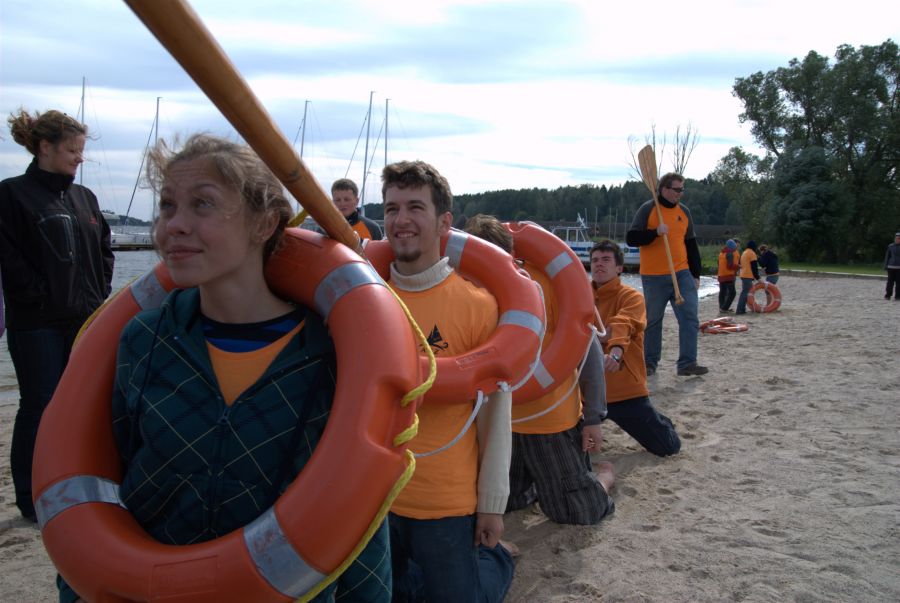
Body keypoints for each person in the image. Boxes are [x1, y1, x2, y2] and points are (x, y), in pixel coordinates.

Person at [57, 134, 390, 602]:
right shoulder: (144, 340)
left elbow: (360, 513)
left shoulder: (332, 355)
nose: (174, 225)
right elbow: (99, 479)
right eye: (168, 206)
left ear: (264, 223)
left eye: (203, 205)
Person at [382, 163, 514, 602]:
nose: (400, 220)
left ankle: (498, 560)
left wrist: (492, 505)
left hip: (445, 503)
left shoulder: (478, 307)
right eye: (391, 208)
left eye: (414, 207)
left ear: (444, 223)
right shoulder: (364, 300)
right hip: (374, 497)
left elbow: (495, 414)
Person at [463, 214, 614, 526]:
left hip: (549, 423)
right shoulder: (463, 293)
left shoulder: (547, 285)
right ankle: (538, 484)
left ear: (510, 257)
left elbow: (590, 352)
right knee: (503, 503)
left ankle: (602, 477)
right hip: (498, 423)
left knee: (577, 512)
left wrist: (594, 418)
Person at [0, 109, 114, 523]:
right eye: (72, 149)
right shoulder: (11, 194)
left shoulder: (86, 198)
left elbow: (103, 247)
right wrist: (40, 295)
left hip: (84, 320)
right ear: (45, 147)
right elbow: (8, 258)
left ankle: (74, 483)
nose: (79, 158)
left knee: (82, 406)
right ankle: (31, 499)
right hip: (38, 324)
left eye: (81, 150)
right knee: (40, 406)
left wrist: (99, 291)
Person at [590, 240, 681, 456]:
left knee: (667, 448)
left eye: (605, 260)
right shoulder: (581, 295)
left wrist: (615, 350)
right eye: (594, 260)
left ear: (619, 268)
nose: (599, 265)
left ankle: (660, 420)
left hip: (624, 390)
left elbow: (623, 324)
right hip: (588, 394)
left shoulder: (631, 297)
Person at [626, 172, 707, 377]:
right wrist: (654, 233)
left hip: (681, 274)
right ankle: (650, 363)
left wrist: (696, 275)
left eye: (682, 189)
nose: (680, 193)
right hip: (653, 277)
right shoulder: (648, 209)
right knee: (653, 321)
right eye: (677, 189)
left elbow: (691, 245)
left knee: (690, 318)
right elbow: (631, 238)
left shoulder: (684, 212)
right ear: (664, 189)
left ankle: (687, 363)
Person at [736, 240, 761, 315]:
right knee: (745, 292)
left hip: (743, 274)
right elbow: (754, 267)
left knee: (745, 292)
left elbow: (740, 264)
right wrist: (758, 277)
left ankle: (741, 309)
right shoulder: (752, 253)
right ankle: (740, 310)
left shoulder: (744, 252)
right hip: (747, 275)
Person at [717, 239, 740, 312]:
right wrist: (738, 266)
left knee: (722, 292)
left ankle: (722, 307)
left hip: (721, 275)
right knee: (732, 293)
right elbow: (730, 266)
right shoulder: (729, 253)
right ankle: (724, 308)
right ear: (732, 246)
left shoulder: (721, 253)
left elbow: (719, 264)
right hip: (728, 276)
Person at [883, 232, 900, 300]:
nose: (897, 239)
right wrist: (885, 266)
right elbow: (887, 256)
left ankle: (898, 296)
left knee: (899, 283)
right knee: (890, 282)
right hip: (891, 267)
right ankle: (888, 295)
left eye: (899, 238)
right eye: (896, 238)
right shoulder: (890, 246)